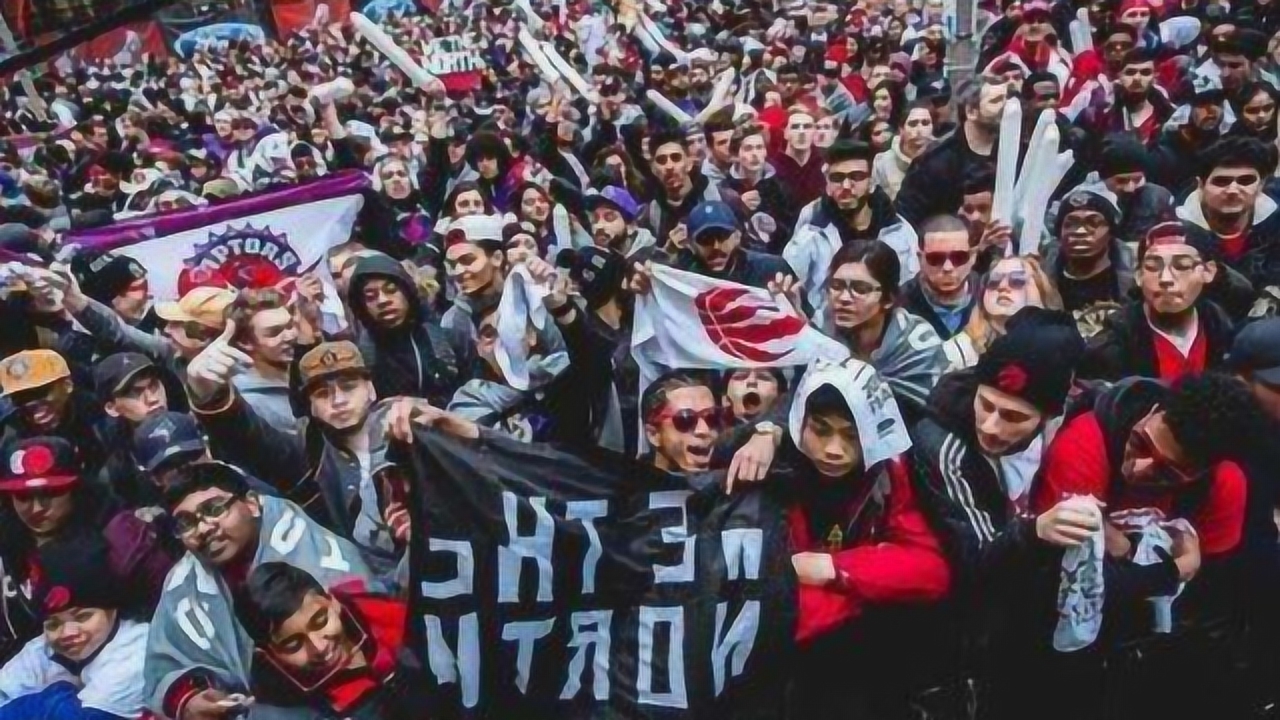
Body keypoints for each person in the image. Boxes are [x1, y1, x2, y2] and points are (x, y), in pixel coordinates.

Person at [781, 359, 953, 719]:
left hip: (856, 652)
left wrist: (834, 569)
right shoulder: (769, 469)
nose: (834, 449)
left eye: (851, 435)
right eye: (821, 430)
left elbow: (929, 569)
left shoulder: (889, 474)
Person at [144, 461, 374, 720]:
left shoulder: (310, 551)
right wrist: (190, 700)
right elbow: (164, 668)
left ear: (252, 503)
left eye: (214, 509)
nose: (204, 528)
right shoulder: (183, 581)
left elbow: (370, 633)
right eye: (186, 523)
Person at [233, 562, 426, 720]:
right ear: (269, 654)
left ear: (332, 601)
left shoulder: (382, 614)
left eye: (320, 621)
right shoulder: (281, 709)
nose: (320, 647)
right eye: (294, 644)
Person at [0, 536, 151, 719]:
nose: (67, 633)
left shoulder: (137, 653)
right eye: (53, 624)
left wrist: (53, 699)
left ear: (113, 610)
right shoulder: (41, 650)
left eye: (83, 617)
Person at [1081, 222, 1235, 381]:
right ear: (1139, 275)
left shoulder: (1222, 330)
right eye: (1153, 267)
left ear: (1208, 271)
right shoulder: (1109, 349)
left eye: (1182, 266)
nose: (1165, 279)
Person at [786, 140, 920, 315]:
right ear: (827, 185)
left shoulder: (899, 231)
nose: (846, 186)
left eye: (856, 177)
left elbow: (910, 289)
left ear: (871, 183)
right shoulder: (812, 232)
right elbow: (790, 286)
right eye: (837, 178)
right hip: (826, 325)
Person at [820, 240, 945, 422]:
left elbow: (914, 415)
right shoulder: (821, 329)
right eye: (836, 286)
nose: (844, 298)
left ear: (889, 299)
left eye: (860, 289)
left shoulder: (918, 343)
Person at [346, 252, 469, 407]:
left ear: (407, 292)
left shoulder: (447, 340)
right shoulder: (361, 357)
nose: (383, 301)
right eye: (371, 297)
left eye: (391, 290)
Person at [1179, 137, 1280, 301]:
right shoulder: (1177, 235)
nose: (1233, 190)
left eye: (1246, 181)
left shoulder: (1275, 226)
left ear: (1261, 186)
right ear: (1201, 185)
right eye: (1221, 181)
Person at [896, 76, 1003, 227]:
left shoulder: (1017, 153)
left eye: (1006, 100)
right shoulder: (934, 163)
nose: (1005, 107)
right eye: (996, 101)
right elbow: (905, 220)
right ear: (971, 111)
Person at [944, 255, 1063, 370]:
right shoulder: (957, 352)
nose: (1002, 286)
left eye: (1017, 281)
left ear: (1042, 293)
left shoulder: (1061, 347)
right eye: (993, 283)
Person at [0, 349, 107, 475]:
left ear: (67, 385)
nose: (30, 403)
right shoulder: (9, 430)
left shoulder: (96, 415)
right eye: (20, 397)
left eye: (40, 392)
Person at [1041, 188, 1136, 315]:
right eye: (1071, 224)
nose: (1080, 231)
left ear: (1111, 232)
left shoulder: (1132, 280)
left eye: (1093, 223)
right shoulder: (1042, 278)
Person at [676, 200, 792, 288]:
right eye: (705, 240)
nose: (716, 247)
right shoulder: (682, 279)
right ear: (691, 244)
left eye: (723, 237)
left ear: (737, 236)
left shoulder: (770, 269)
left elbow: (800, 311)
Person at [899, 214, 979, 339]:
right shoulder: (900, 304)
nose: (948, 267)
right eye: (935, 258)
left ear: (973, 257)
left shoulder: (987, 292)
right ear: (920, 258)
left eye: (958, 257)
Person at [871, 99, 935, 202]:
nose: (920, 130)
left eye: (925, 123)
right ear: (901, 129)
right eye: (913, 124)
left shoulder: (945, 157)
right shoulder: (882, 162)